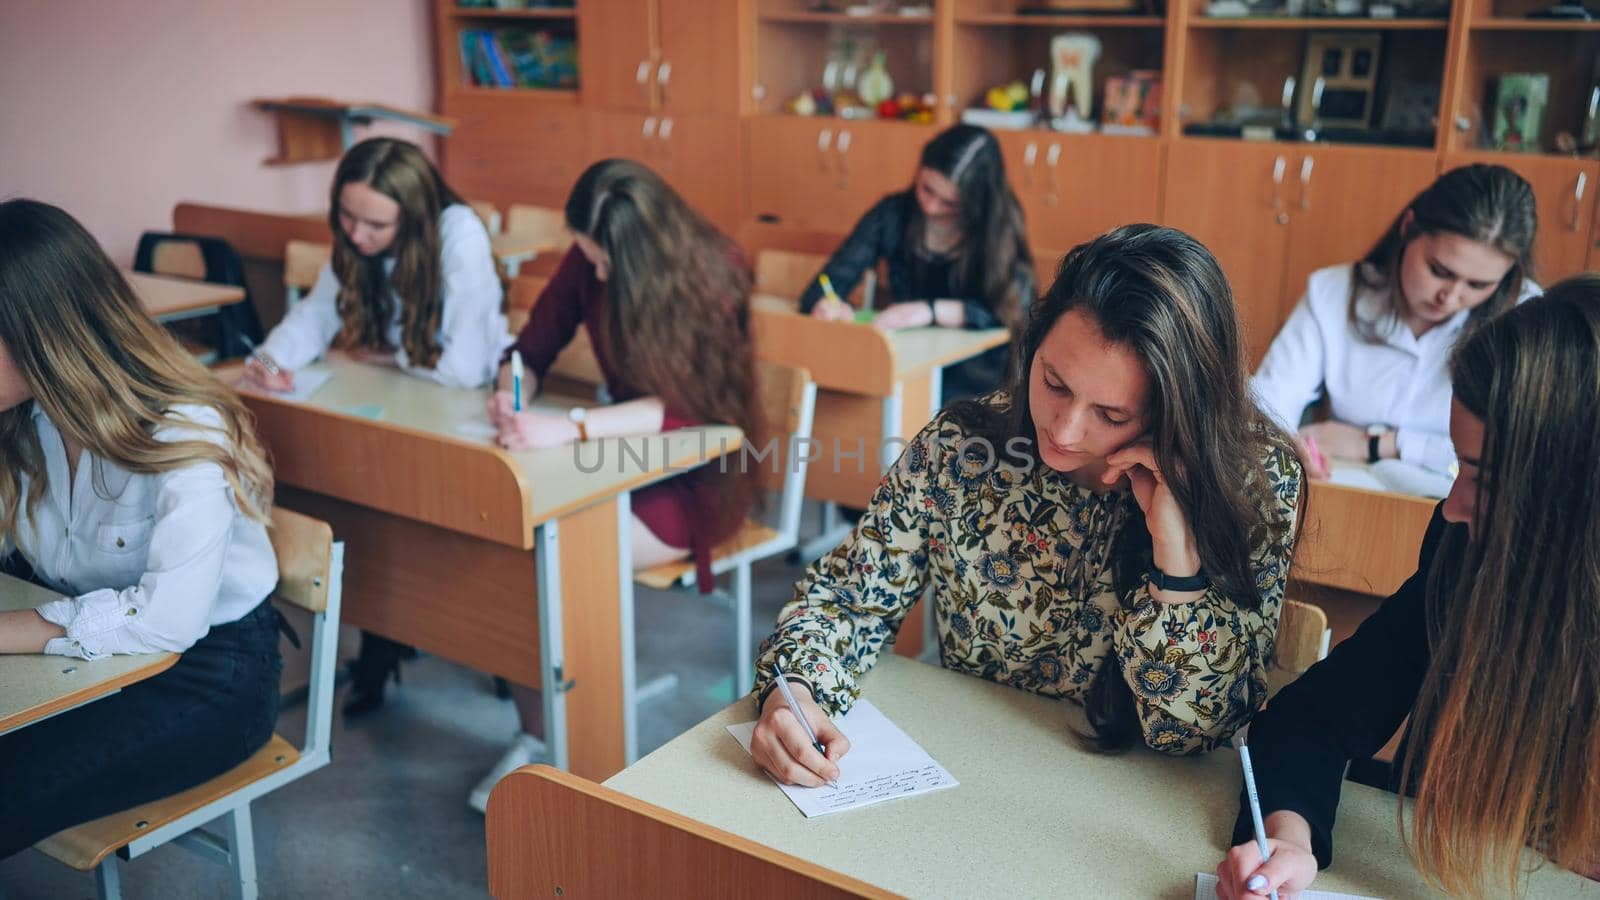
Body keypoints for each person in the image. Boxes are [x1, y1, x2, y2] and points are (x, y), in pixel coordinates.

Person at [751, 225, 1303, 787]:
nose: (1064, 429)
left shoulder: (1254, 482)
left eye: (1112, 416)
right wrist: (791, 692)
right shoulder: (963, 448)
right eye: (1054, 382)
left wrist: (1176, 559)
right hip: (968, 772)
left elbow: (1196, 733)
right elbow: (847, 602)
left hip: (1143, 808)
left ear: (1179, 410)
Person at [1215, 275, 1600, 899]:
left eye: (1486, 477)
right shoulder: (1467, 553)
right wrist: (1289, 840)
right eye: (1458, 466)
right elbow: (1312, 718)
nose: (1451, 506)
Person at [473, 158, 766, 811]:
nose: (594, 272)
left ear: (640, 254)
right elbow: (533, 343)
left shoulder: (715, 272)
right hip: (620, 453)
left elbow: (694, 409)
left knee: (543, 560)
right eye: (587, 255)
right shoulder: (590, 256)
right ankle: (544, 737)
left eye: (604, 262)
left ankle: (580, 754)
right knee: (515, 540)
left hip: (697, 473)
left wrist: (571, 427)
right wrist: (509, 390)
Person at [0, 200, 282, 857]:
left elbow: (166, 622)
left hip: (209, 670)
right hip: (78, 646)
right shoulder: (22, 417)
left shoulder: (183, 426)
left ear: (45, 333)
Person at [246, 137, 510, 716]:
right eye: (346, 216)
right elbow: (316, 312)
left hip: (460, 410)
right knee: (360, 498)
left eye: (375, 225)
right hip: (403, 399)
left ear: (412, 218)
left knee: (414, 516)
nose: (357, 236)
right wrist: (268, 361)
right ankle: (383, 635)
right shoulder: (358, 240)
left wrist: (389, 357)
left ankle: (456, 642)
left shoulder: (459, 236)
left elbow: (463, 366)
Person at [1252, 164, 1538, 479]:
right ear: (1409, 227)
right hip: (1346, 485)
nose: (1451, 297)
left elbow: (1526, 451)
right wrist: (1285, 443)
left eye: (1478, 285)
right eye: (1439, 271)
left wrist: (1382, 445)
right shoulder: (1334, 291)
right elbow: (1270, 398)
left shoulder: (1526, 316)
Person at [798, 123, 1035, 404]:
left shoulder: (997, 225)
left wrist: (928, 311)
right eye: (926, 189)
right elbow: (826, 284)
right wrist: (827, 305)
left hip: (981, 378)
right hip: (908, 361)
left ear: (976, 203)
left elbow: (1016, 307)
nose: (931, 207)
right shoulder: (893, 214)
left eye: (949, 203)